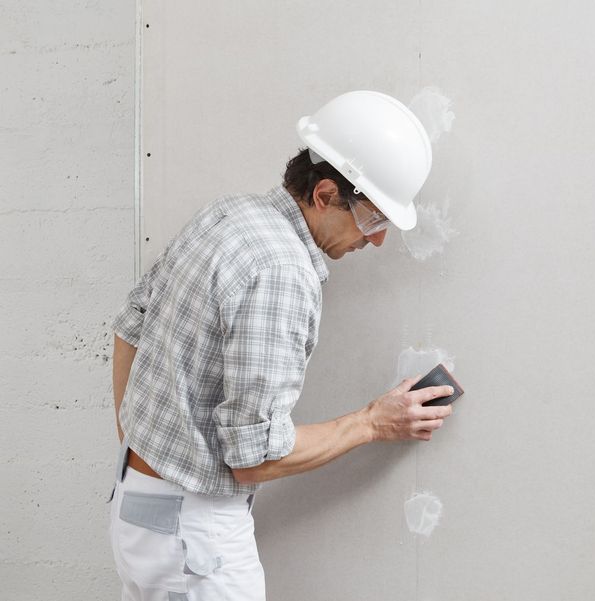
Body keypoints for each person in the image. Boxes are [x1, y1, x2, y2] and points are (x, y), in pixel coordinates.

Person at [107, 91, 453, 601]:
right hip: (194, 542)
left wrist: (144, 455)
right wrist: (373, 421)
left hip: (136, 510)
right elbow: (252, 457)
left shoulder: (229, 214)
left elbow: (129, 327)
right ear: (326, 194)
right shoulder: (282, 271)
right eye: (375, 220)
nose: (376, 241)